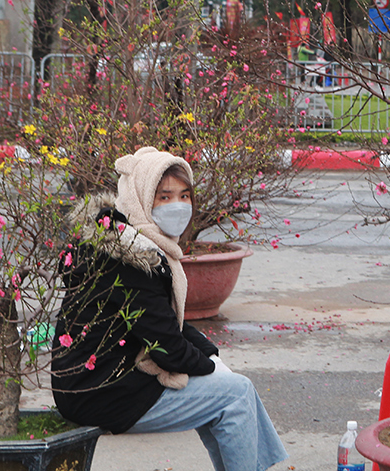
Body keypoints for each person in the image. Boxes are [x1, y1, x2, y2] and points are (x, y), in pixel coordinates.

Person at [52, 146, 288, 471]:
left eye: (184, 195)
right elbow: (168, 348)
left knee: (226, 391)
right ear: (141, 199)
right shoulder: (130, 260)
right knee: (234, 394)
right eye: (163, 197)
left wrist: (212, 356)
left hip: (98, 385)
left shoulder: (128, 241)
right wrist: (211, 367)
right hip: (104, 394)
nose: (177, 206)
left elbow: (165, 322)